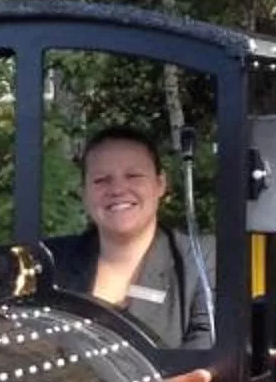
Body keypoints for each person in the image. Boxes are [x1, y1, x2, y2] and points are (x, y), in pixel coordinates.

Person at [45, 126, 214, 349]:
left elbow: (206, 359)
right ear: (84, 192)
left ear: (160, 184)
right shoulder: (49, 263)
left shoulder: (202, 260)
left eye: (133, 176)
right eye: (101, 180)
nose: (117, 189)